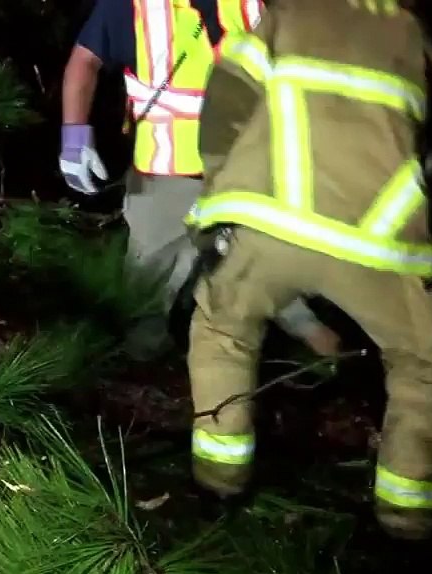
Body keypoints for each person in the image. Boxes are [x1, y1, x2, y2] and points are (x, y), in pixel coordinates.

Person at [183, 0, 432, 540]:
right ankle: (407, 516)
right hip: (383, 237)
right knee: (425, 365)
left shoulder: (286, 16)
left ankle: (219, 476)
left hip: (274, 223)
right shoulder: (416, 36)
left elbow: (224, 101)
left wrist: (222, 198)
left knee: (224, 327)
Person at [59, 0, 342, 360]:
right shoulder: (135, 7)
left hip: (246, 172)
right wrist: (74, 137)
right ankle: (141, 379)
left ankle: (315, 346)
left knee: (259, 265)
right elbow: (85, 60)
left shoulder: (252, 7)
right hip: (165, 177)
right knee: (148, 291)